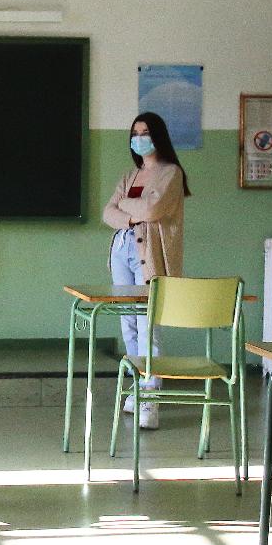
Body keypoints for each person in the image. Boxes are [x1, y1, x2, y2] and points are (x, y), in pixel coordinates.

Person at [102, 112, 190, 430]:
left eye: (145, 132)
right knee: (128, 323)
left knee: (147, 322)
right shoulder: (131, 175)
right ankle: (136, 388)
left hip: (148, 253)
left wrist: (127, 206)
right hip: (123, 249)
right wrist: (130, 213)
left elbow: (153, 210)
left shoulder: (171, 173)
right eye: (135, 132)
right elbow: (107, 213)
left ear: (158, 136)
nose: (139, 137)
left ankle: (151, 399)